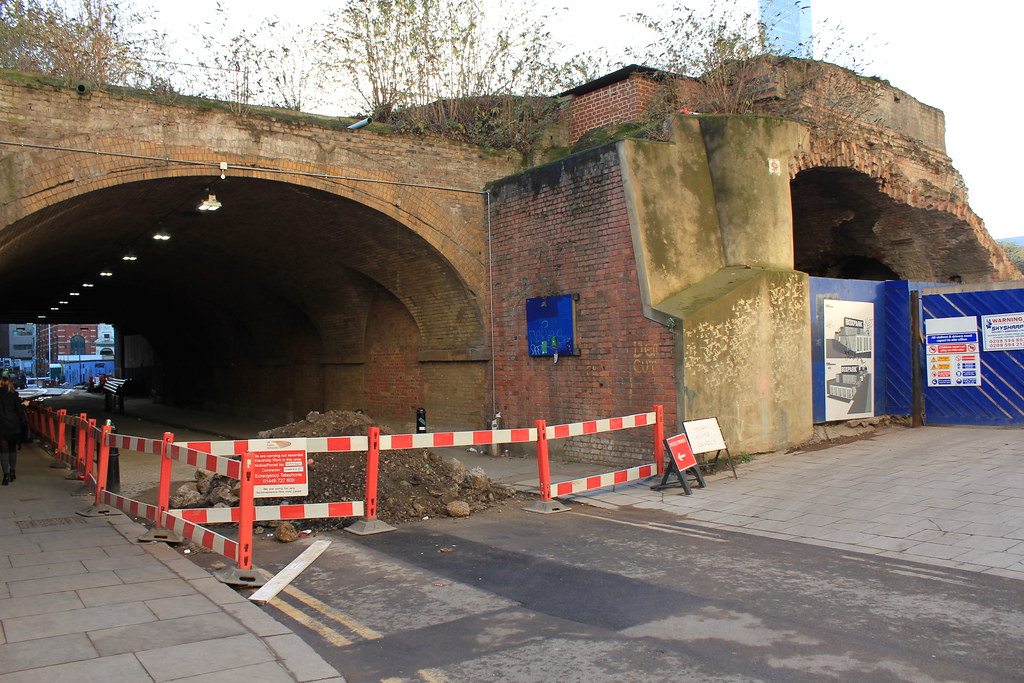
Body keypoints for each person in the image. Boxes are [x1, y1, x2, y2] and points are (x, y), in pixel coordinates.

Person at [0, 376, 25, 485]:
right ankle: (12, 471)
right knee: (12, 449)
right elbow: (19, 411)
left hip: (1, 427)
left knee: (3, 451)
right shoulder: (14, 395)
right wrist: (24, 405)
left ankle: (5, 475)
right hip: (13, 426)